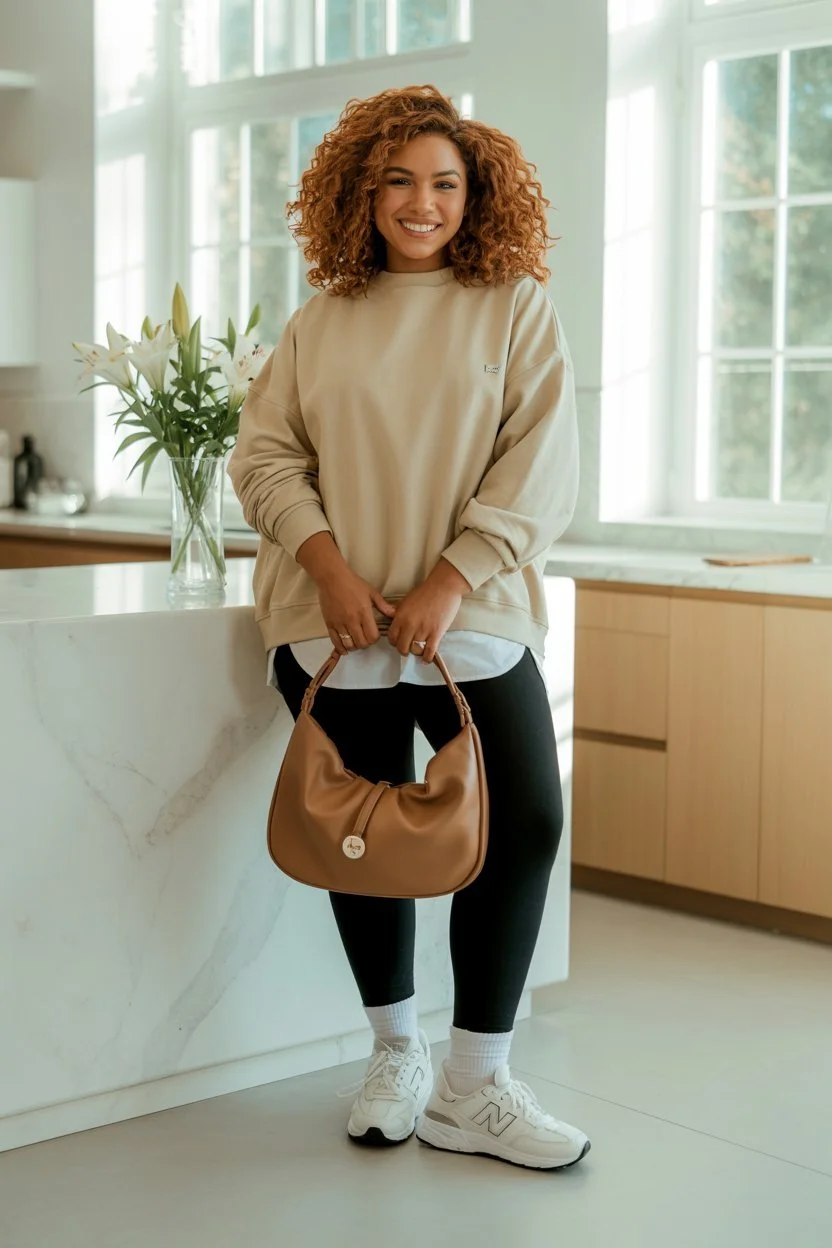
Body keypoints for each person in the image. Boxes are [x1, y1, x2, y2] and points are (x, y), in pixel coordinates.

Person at [228, 84, 588, 1171]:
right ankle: (395, 1055)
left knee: (523, 821)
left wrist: (450, 579)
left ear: (475, 197)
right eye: (398, 180)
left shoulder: (514, 306)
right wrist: (330, 570)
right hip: (333, 618)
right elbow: (265, 459)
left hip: (468, 614)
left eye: (444, 183)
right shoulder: (321, 319)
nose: (420, 202)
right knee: (362, 835)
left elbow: (540, 465)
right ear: (363, 191)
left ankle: (475, 1084)